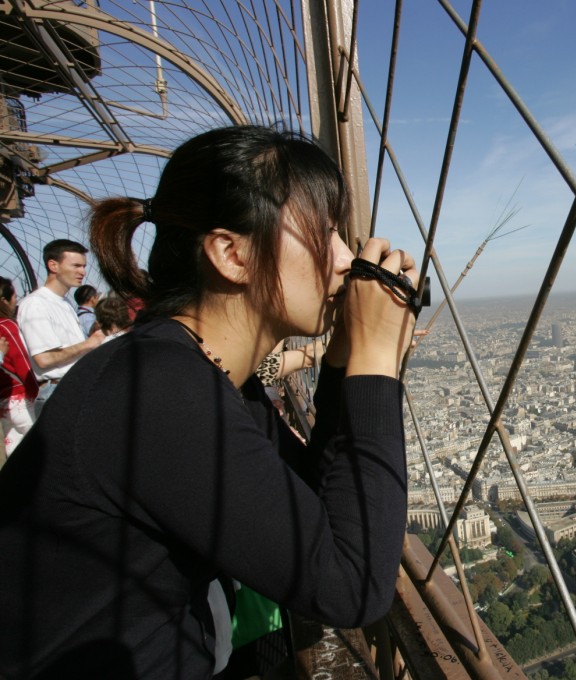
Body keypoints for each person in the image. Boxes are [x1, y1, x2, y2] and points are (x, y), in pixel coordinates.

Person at [0, 125, 419, 679]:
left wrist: (342, 362)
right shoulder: (158, 390)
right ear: (231, 254)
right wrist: (375, 361)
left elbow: (309, 501)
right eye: (325, 233)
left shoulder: (187, 371)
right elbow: (350, 585)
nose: (345, 259)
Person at [16, 239, 105, 412]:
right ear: (53, 265)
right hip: (56, 390)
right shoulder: (36, 304)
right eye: (76, 266)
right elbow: (44, 359)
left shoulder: (64, 303)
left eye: (83, 266)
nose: (82, 272)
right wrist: (89, 343)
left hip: (72, 386)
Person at [0, 277, 41, 457]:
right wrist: (35, 390)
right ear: (5, 300)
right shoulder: (7, 326)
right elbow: (21, 360)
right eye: (15, 295)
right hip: (20, 396)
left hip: (4, 400)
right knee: (40, 447)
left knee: (14, 447)